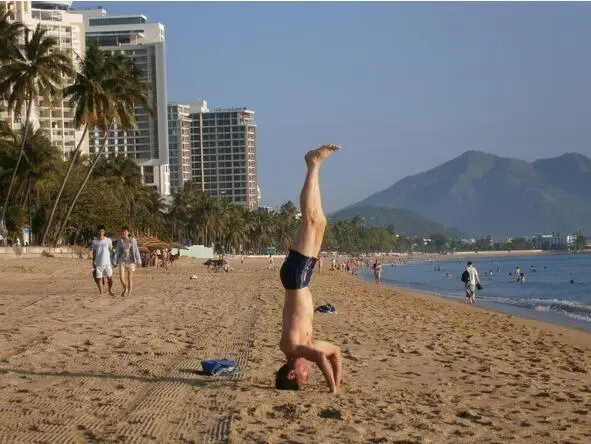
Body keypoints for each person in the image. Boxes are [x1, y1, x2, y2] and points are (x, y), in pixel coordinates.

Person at [276, 144, 343, 394]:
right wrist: (338, 381)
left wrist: (333, 389)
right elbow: (334, 352)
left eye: (304, 377)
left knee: (310, 218)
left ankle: (312, 164)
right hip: (301, 277)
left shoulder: (291, 346)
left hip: (295, 276)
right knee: (320, 220)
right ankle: (314, 166)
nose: (309, 374)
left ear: (292, 372)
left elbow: (321, 359)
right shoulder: (305, 345)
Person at [114, 226, 141, 297]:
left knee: (129, 278)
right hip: (122, 260)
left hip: (131, 261)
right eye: (123, 231)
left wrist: (138, 260)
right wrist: (115, 260)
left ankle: (129, 293)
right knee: (121, 277)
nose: (124, 233)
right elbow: (118, 251)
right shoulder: (120, 241)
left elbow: (136, 251)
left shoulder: (132, 240)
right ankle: (125, 288)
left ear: (128, 232)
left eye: (125, 231)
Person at [92, 225, 114, 296]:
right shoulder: (94, 241)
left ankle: (109, 289)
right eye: (100, 231)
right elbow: (94, 252)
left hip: (107, 263)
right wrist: (93, 261)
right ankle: (101, 294)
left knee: (110, 278)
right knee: (99, 279)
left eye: (102, 231)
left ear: (104, 232)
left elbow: (111, 249)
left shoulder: (108, 240)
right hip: (98, 263)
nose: (101, 232)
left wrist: (113, 256)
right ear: (97, 231)